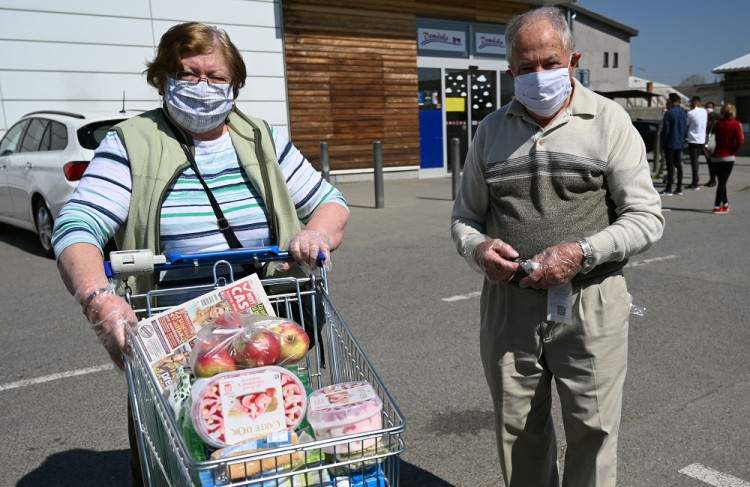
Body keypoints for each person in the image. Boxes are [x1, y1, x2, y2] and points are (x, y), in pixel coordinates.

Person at [50, 22, 349, 485]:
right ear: (162, 78)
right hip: (177, 333)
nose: (203, 89)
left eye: (216, 78)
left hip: (263, 325)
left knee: (268, 443)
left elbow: (331, 202)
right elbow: (76, 226)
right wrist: (98, 299)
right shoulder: (132, 143)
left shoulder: (260, 138)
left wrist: (317, 235)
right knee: (186, 454)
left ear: (235, 85)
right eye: (188, 76)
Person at [450, 7, 664, 486]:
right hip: (510, 305)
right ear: (510, 72)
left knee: (594, 430)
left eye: (550, 63)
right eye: (525, 68)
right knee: (518, 431)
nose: (538, 76)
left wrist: (581, 252)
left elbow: (646, 217)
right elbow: (465, 217)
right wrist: (479, 250)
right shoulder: (490, 131)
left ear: (573, 61)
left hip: (591, 301)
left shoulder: (609, 121)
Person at [710, 103, 744, 213]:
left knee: (721, 181)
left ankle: (725, 203)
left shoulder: (717, 124)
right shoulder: (736, 124)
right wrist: (733, 151)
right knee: (722, 183)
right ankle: (716, 206)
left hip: (715, 156)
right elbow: (740, 141)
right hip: (728, 156)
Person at [660, 92, 687, 195]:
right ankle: (679, 187)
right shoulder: (683, 112)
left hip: (670, 141)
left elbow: (666, 129)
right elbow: (685, 128)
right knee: (678, 165)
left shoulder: (669, 113)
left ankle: (669, 188)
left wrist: (664, 140)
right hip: (679, 141)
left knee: (670, 165)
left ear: (670, 101)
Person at [685, 95, 707, 189]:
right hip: (702, 140)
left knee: (694, 162)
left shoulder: (691, 113)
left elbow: (687, 124)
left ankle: (695, 182)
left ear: (693, 103)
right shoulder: (704, 111)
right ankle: (695, 180)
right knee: (696, 161)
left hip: (693, 140)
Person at [703, 101, 718, 187]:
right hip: (706, 142)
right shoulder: (704, 117)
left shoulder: (716, 119)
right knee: (709, 162)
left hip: (713, 142)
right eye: (707, 107)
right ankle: (712, 179)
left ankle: (713, 180)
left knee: (713, 163)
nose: (708, 109)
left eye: (710, 107)